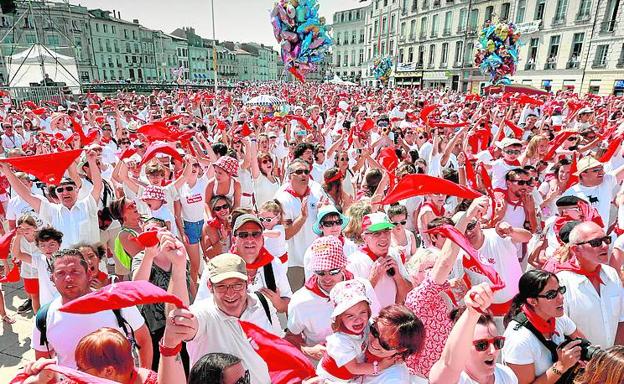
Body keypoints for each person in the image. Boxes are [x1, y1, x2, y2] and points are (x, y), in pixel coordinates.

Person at [166, 253, 281, 384]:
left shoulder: (262, 303)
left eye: (237, 285)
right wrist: (179, 267)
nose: (230, 293)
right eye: (221, 286)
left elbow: (279, 346)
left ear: (248, 282)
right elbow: (177, 322)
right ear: (210, 286)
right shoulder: (203, 314)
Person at [31, 249, 152, 369]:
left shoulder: (118, 303)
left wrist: (144, 377)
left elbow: (143, 339)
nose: (68, 278)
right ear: (52, 279)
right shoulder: (44, 317)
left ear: (88, 274)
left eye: (75, 271)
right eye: (60, 273)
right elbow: (43, 362)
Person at [1, 149, 102, 248]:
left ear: (77, 190)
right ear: (56, 194)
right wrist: (6, 170)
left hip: (91, 260)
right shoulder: (52, 211)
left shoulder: (88, 204)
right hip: (65, 262)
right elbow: (27, 195)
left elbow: (97, 185)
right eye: (60, 190)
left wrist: (92, 161)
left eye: (69, 188)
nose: (65, 192)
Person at [502, 270, 585, 384]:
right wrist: (561, 366)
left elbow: (583, 343)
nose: (561, 297)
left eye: (560, 290)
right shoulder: (519, 339)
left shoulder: (557, 317)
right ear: (532, 301)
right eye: (551, 294)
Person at [430, 283, 518, 384]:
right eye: (482, 345)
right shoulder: (455, 380)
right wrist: (472, 312)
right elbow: (448, 364)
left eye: (497, 342)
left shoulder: (507, 375)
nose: (493, 351)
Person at [555, 221, 624, 348]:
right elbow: (561, 329)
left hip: (612, 361)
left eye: (606, 240)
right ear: (576, 249)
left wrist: (615, 357)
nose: (604, 246)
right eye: (596, 243)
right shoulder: (561, 282)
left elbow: (621, 320)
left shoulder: (612, 274)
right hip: (581, 362)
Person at [316, 280, 393, 382]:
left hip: (354, 375)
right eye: (350, 316)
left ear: (369, 311)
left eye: (362, 312)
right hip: (333, 379)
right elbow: (354, 368)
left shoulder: (368, 325)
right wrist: (380, 366)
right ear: (340, 318)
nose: (358, 319)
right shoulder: (340, 341)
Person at [275, 158, 325, 291]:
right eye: (299, 171)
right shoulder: (283, 199)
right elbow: (285, 234)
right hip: (294, 262)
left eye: (306, 172)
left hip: (316, 260)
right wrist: (303, 217)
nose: (304, 175)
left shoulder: (316, 194)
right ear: (290, 176)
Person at [347, 212, 412, 307]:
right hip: (369, 320)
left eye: (386, 231)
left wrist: (397, 276)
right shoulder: (354, 262)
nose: (383, 237)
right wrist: (373, 279)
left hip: (392, 317)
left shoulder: (393, 254)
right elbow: (353, 303)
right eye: (376, 233)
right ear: (364, 238)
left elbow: (409, 293)